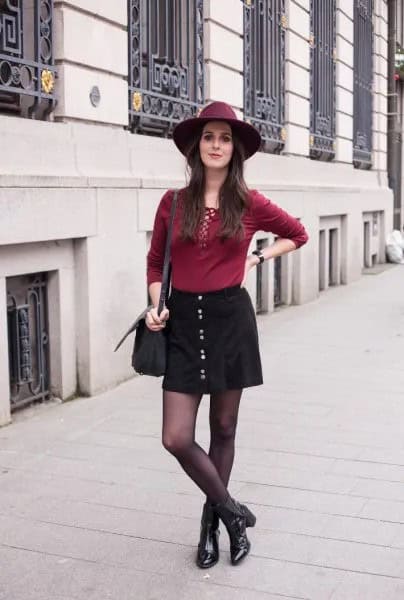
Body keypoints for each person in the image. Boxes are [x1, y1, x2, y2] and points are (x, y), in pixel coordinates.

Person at [146, 101, 309, 568]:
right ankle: (233, 513)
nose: (216, 145)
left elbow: (297, 234)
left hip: (230, 321)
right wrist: (156, 303)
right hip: (183, 323)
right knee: (176, 436)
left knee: (223, 428)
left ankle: (210, 530)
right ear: (197, 146)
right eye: (208, 137)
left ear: (233, 149)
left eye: (224, 138)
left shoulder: (249, 202)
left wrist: (257, 259)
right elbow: (156, 262)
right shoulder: (173, 202)